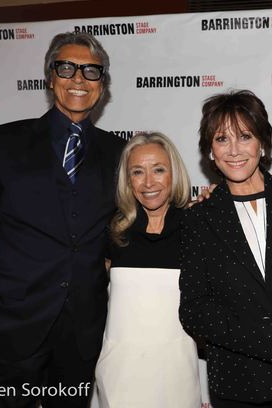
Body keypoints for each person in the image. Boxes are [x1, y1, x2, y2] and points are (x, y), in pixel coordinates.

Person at [0, 32, 125, 407]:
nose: (79, 79)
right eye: (67, 68)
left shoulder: (119, 153)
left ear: (103, 86)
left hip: (81, 337)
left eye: (91, 72)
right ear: (50, 77)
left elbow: (139, 224)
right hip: (10, 330)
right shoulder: (5, 143)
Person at [179, 90, 272, 408]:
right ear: (210, 151)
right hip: (239, 386)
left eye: (245, 136)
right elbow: (194, 311)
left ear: (262, 144)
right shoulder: (198, 219)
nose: (234, 150)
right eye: (221, 139)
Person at [95, 132, 201, 407]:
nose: (149, 182)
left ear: (174, 174)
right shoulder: (113, 230)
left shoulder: (197, 228)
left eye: (159, 170)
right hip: (120, 374)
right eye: (137, 172)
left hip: (177, 375)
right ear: (128, 180)